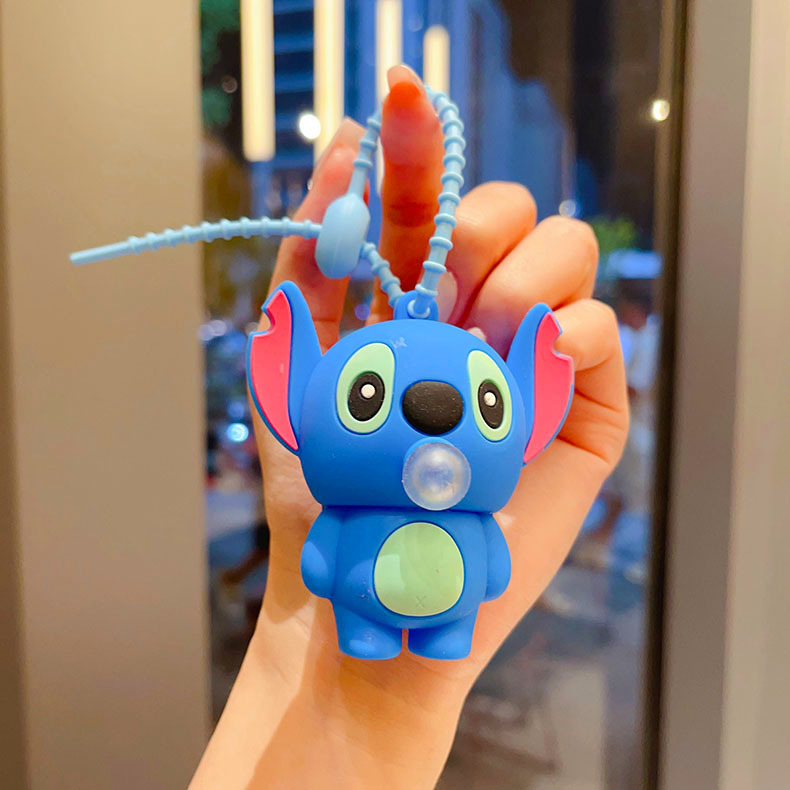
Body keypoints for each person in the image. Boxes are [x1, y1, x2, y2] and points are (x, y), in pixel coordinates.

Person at [190, 65, 628, 789]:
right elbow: (332, 559)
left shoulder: (474, 500)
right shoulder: (342, 499)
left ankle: (432, 637)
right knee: (370, 629)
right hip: (359, 614)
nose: (433, 407)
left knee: (439, 628)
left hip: (432, 611)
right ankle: (374, 638)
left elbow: (486, 563)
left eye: (489, 405)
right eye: (364, 397)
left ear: (534, 413)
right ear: (292, 402)